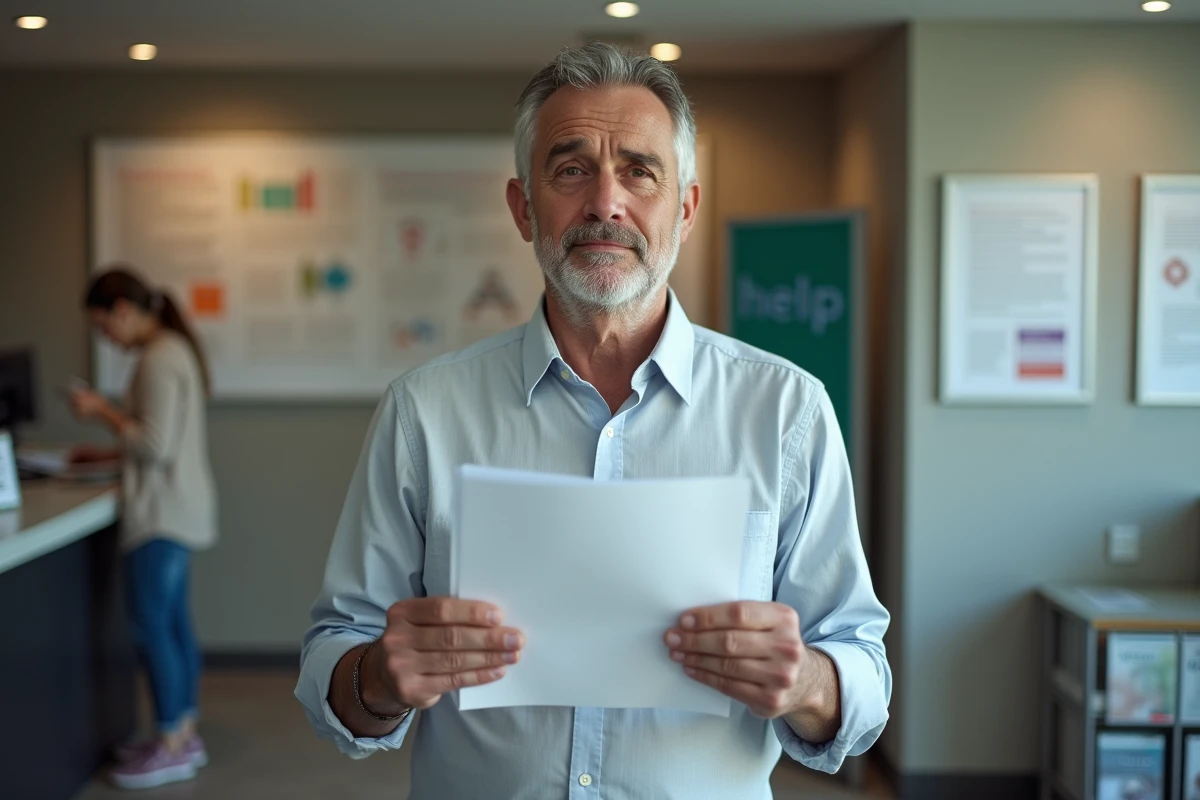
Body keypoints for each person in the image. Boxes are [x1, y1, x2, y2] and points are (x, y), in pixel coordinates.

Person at [296, 42, 890, 798]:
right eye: (571, 169)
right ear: (522, 208)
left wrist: (808, 680)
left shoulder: (786, 412)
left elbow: (862, 670)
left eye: (640, 170)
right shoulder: (424, 412)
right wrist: (377, 677)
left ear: (685, 207)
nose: (605, 202)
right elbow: (332, 661)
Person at [69, 267, 218, 790]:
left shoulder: (157, 360)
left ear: (122, 311)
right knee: (173, 625)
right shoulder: (173, 351)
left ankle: (171, 743)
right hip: (179, 511)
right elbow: (161, 440)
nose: (103, 336)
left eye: (101, 324)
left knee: (153, 627)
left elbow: (153, 446)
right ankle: (182, 732)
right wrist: (107, 452)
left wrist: (100, 411)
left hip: (160, 516)